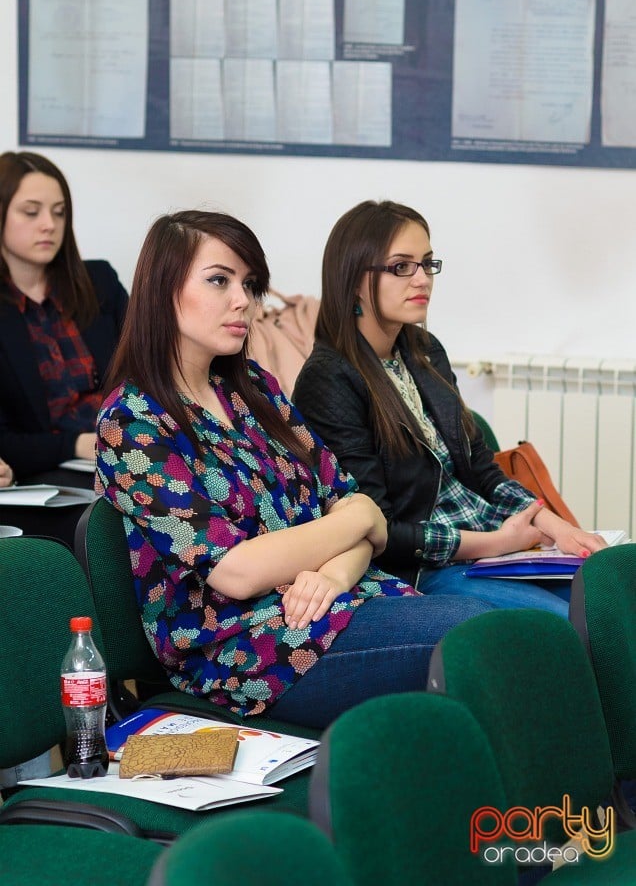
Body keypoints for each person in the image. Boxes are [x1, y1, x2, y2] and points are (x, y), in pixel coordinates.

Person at [95, 209, 493, 730]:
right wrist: (353, 528)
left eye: (249, 284)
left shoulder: (253, 389)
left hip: (339, 599)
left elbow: (355, 502)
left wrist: (333, 571)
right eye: (219, 281)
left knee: (501, 636)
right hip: (248, 649)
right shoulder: (132, 424)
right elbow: (238, 572)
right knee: (477, 640)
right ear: (163, 291)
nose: (243, 301)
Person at [293, 200, 607, 618]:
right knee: (562, 619)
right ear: (353, 278)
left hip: (491, 539)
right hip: (421, 566)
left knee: (607, 598)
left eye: (427, 263)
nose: (422, 279)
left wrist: (559, 529)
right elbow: (377, 529)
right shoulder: (328, 380)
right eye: (401, 266)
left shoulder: (423, 350)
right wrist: (500, 544)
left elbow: (481, 468)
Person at [0, 151, 128, 544]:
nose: (49, 225)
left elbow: (148, 369)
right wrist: (73, 443)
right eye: (31, 212)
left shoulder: (99, 282)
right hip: (47, 480)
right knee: (94, 527)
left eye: (58, 212)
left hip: (127, 452)